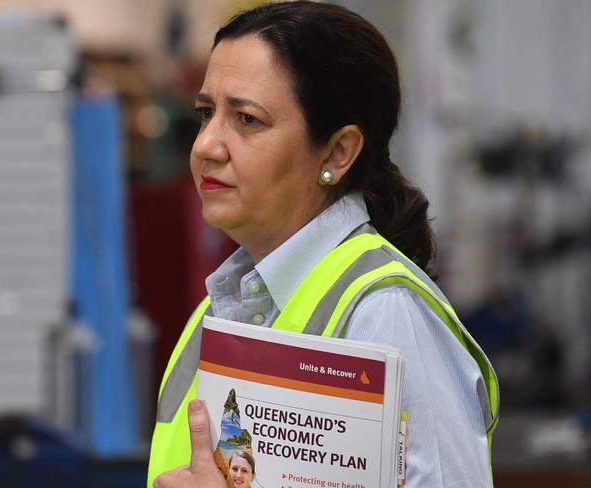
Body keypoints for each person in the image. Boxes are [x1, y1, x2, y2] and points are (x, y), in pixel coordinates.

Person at [149, 2, 499, 487]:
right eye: (206, 113)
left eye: (247, 119)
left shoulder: (385, 312)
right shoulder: (217, 311)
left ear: (337, 151)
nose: (207, 144)